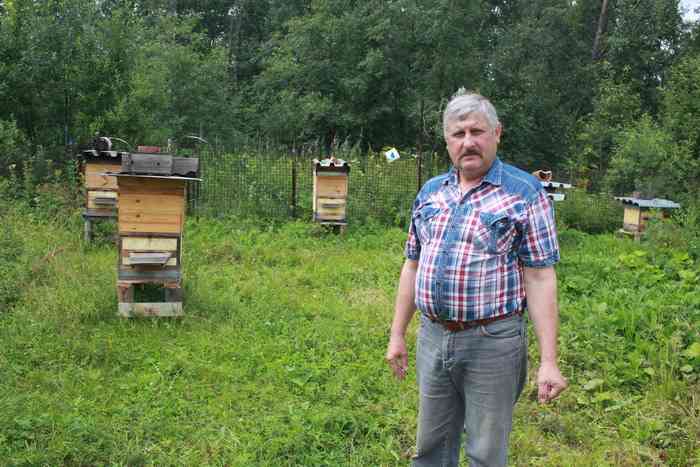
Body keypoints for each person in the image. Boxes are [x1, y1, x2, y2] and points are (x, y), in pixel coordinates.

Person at [385, 89, 567, 467]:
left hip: (493, 342)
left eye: (477, 131)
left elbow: (539, 277)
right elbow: (412, 265)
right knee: (431, 447)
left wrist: (548, 360)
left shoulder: (524, 194)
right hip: (433, 337)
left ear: (496, 133)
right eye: (458, 134)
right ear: (447, 141)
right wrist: (398, 334)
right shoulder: (432, 192)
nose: (468, 142)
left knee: (485, 452)